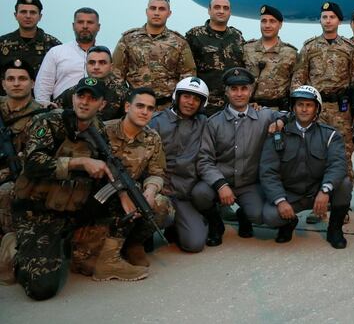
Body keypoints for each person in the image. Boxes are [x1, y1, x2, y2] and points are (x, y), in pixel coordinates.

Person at [10, 78, 114, 299]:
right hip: (36, 211)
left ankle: (64, 245)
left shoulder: (99, 132)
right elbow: (33, 164)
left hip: (70, 210)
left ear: (102, 104)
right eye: (81, 96)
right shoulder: (47, 122)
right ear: (73, 98)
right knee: (42, 289)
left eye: (92, 98)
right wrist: (80, 163)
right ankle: (11, 249)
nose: (84, 103)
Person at [70, 87, 171, 281]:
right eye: (140, 106)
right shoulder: (103, 131)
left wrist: (150, 192)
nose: (144, 112)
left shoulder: (152, 138)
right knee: (82, 262)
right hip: (96, 199)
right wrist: (121, 193)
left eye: (150, 109)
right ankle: (102, 251)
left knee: (160, 203)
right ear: (127, 107)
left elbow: (157, 173)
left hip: (127, 194)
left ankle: (131, 245)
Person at [196, 67, 286, 240]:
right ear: (226, 92)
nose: (239, 93)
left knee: (260, 216)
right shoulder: (213, 123)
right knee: (199, 194)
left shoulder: (264, 116)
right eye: (234, 89)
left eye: (244, 88)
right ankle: (215, 222)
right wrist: (221, 185)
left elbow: (289, 114)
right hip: (220, 181)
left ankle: (244, 215)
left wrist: (281, 120)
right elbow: (204, 160)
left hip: (249, 183)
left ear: (251, 91)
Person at [260, 85, 352, 248]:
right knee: (269, 216)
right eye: (300, 105)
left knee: (344, 184)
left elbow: (338, 165)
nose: (304, 109)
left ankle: (335, 229)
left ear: (317, 108)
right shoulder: (278, 134)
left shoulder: (330, 135)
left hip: (317, 192)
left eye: (309, 105)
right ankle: (288, 223)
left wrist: (325, 190)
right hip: (290, 193)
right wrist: (280, 200)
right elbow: (268, 171)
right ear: (293, 108)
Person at [291, 1, 354, 223]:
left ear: (339, 20)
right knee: (313, 156)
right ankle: (316, 206)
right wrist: (299, 108)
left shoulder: (349, 48)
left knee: (344, 156)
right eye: (324, 17)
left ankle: (342, 207)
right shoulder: (309, 47)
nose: (327, 20)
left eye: (332, 17)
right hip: (314, 110)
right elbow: (299, 78)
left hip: (340, 111)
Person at [149, 77, 212, 251]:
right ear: (177, 96)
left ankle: (195, 220)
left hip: (184, 193)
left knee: (194, 244)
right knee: (157, 217)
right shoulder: (155, 121)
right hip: (159, 190)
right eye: (186, 97)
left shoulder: (204, 123)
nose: (190, 103)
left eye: (196, 99)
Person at [112, 0, 196, 110]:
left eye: (162, 9)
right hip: (136, 106)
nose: (156, 13)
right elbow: (116, 73)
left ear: (169, 13)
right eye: (153, 8)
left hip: (167, 108)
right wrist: (125, 98)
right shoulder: (128, 39)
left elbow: (188, 75)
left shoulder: (179, 42)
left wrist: (178, 103)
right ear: (147, 11)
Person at [0, 59, 43, 238]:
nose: (16, 83)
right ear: (3, 83)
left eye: (22, 79)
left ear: (32, 83)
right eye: (10, 79)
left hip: (20, 177)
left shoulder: (43, 115)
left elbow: (38, 158)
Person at [185, 0, 245, 115]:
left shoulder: (237, 36)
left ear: (230, 12)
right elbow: (186, 69)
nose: (221, 11)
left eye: (225, 8)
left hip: (232, 105)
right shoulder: (195, 35)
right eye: (217, 7)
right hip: (204, 105)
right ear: (209, 10)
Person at [34, 7, 102, 105]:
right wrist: (45, 109)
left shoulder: (107, 55)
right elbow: (43, 85)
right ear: (73, 26)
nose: (85, 26)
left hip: (98, 111)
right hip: (62, 111)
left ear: (98, 27)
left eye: (90, 22)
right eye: (80, 22)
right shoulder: (57, 52)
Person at [0, 0, 61, 93]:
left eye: (32, 12)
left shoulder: (53, 45)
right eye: (23, 12)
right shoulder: (2, 43)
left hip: (41, 104)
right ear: (15, 15)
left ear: (40, 16)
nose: (28, 16)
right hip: (6, 103)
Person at [243, 4, 297, 111]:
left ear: (280, 25)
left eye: (272, 21)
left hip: (278, 112)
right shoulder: (247, 49)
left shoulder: (290, 53)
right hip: (249, 110)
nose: (267, 25)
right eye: (264, 21)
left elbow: (295, 85)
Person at [56, 45, 130, 121]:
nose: (96, 67)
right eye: (92, 63)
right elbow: (54, 111)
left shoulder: (122, 94)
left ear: (111, 67)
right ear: (85, 66)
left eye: (102, 63)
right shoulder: (74, 91)